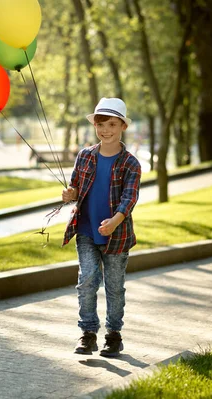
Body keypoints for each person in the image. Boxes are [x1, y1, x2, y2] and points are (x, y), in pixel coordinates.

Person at [62, 97, 141, 358]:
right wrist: (69, 194)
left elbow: (129, 198)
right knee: (86, 280)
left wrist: (115, 221)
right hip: (86, 230)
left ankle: (113, 336)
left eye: (111, 124)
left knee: (114, 287)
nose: (105, 130)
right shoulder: (85, 156)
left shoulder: (130, 163)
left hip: (116, 236)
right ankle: (88, 333)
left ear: (122, 127)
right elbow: (76, 190)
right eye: (100, 124)